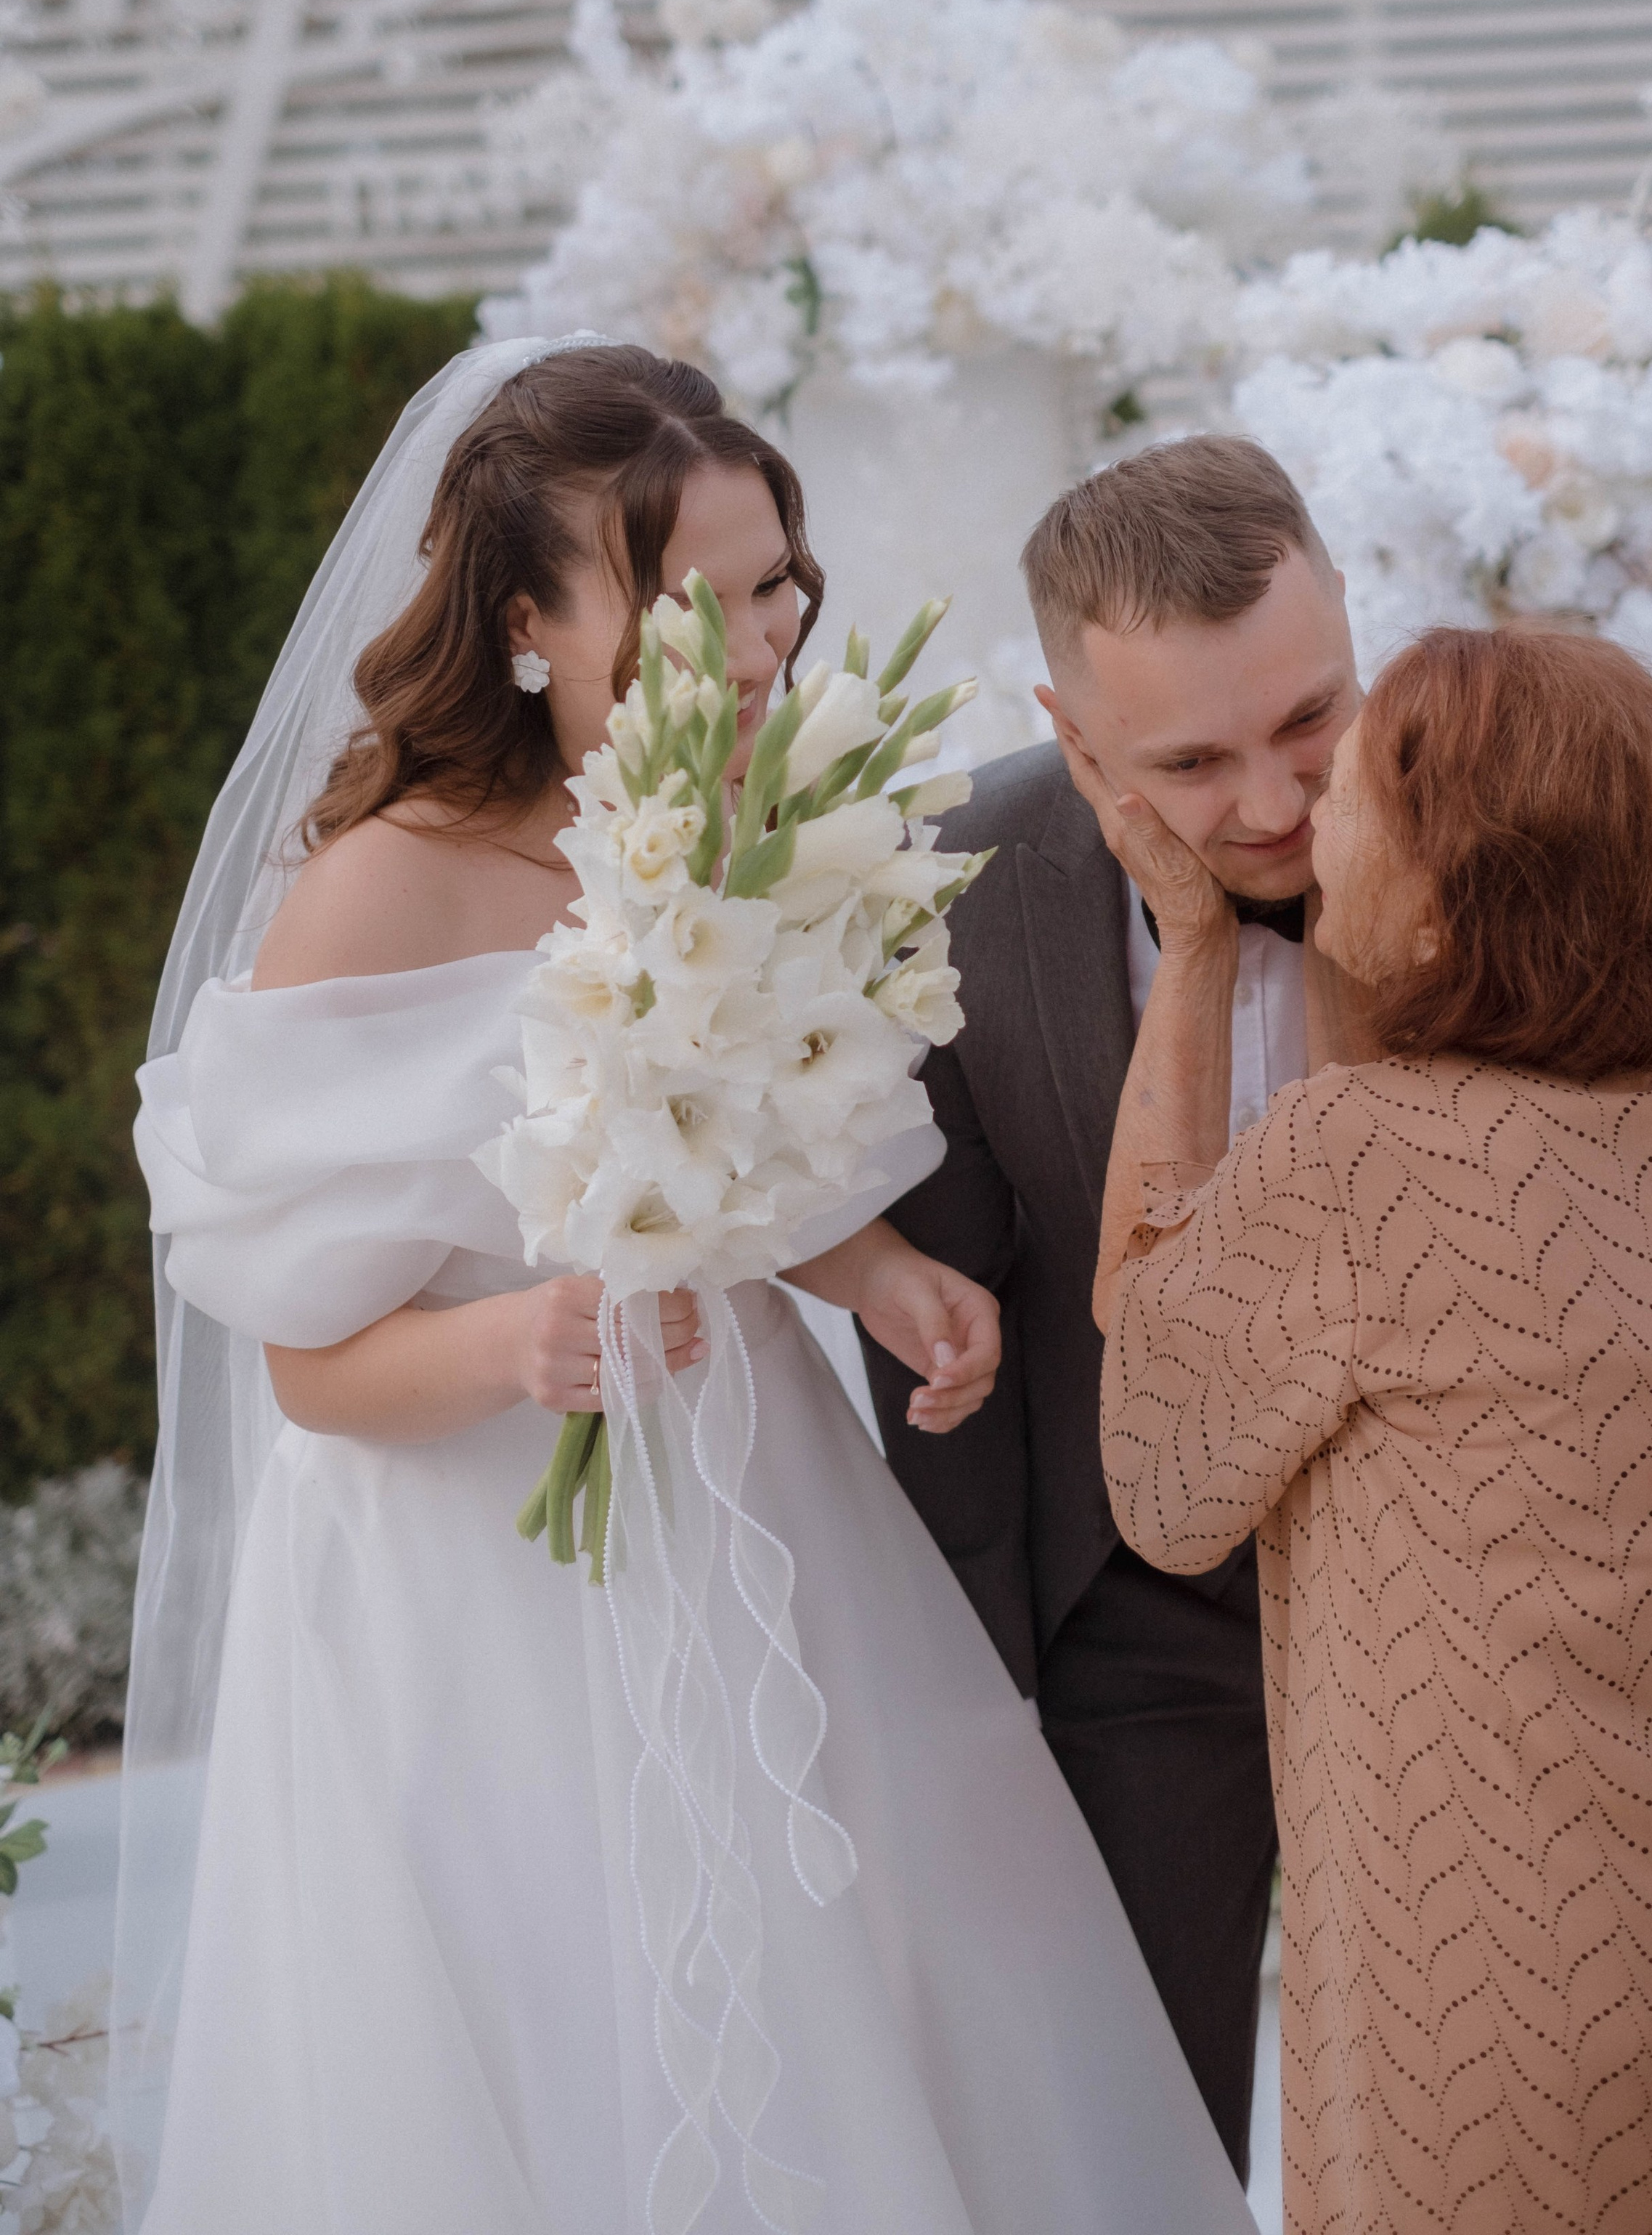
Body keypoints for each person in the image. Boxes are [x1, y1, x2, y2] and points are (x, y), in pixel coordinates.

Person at [118, 338, 1254, 2235]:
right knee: (571, 2014)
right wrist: (515, 1339)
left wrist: (878, 1267)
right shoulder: (371, 901)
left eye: (777, 585)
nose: (758, 646)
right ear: (524, 625)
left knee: (893, 1930)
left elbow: (705, 1130)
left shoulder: (744, 813)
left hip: (750, 1498)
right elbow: (310, 1365)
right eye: (691, 604)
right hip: (477, 1584)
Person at [869, 434, 1652, 2184]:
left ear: (1348, 631)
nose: (1267, 806)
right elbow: (937, 1289)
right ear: (1072, 729)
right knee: (1125, 2144)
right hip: (1136, 1622)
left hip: (1519, 1659)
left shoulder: (1499, 803)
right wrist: (963, 1686)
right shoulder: (947, 879)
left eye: (1305, 721)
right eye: (1188, 760)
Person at [1092, 621, 1652, 2234]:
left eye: (1350, 789)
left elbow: (1162, 1470)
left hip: (1507, 1995)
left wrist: (1195, 945)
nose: (1308, 822)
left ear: (1443, 900)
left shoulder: (1348, 1161)